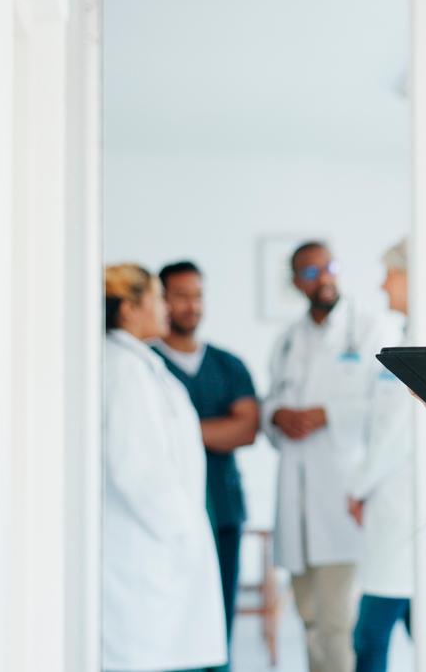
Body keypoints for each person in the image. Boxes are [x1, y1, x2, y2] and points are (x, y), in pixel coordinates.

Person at [261, 241, 395, 672]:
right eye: (311, 272)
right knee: (309, 617)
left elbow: (387, 406)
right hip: (296, 498)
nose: (325, 278)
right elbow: (271, 403)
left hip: (343, 495)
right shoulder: (287, 341)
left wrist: (325, 415)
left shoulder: (370, 328)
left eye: (329, 267)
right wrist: (278, 416)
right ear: (297, 282)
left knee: (337, 621)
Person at [346, 239, 426, 672]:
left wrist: (357, 488)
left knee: (371, 635)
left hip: (410, 511)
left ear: (412, 278)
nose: (382, 285)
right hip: (403, 510)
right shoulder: (414, 333)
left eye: (390, 275)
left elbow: (398, 431)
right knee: (421, 632)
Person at [102, 263, 226, 672]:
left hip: (158, 548)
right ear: (128, 309)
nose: (166, 309)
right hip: (146, 552)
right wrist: (182, 526)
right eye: (157, 298)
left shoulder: (140, 365)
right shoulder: (122, 369)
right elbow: (134, 466)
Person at [152, 261, 260, 672]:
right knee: (170, 626)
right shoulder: (145, 364)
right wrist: (216, 428)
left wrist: (177, 429)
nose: (191, 305)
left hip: (223, 511)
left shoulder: (227, 364)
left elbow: (247, 429)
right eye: (180, 295)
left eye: (197, 295)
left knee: (219, 626)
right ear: (161, 300)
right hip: (165, 515)